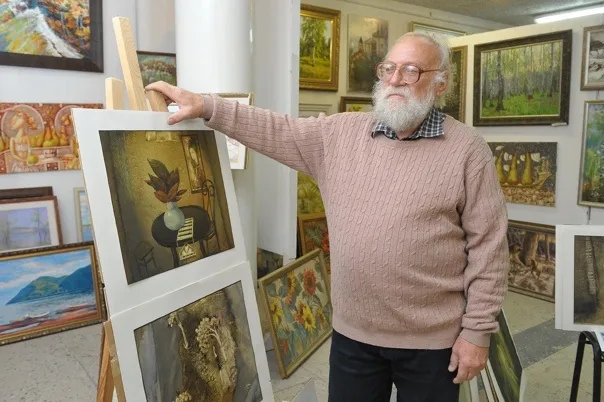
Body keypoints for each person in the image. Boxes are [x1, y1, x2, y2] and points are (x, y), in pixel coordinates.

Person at [148, 31, 509, 402]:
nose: (395, 79)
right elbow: (275, 129)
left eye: (411, 70)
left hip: (432, 343)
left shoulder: (468, 151)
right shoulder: (340, 134)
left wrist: (476, 333)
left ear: (441, 82)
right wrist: (207, 106)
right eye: (389, 68)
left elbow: (489, 249)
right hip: (353, 336)